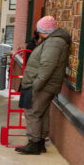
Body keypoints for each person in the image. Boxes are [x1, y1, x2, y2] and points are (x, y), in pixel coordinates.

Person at [16, 16, 71, 155]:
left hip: (43, 85)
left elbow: (47, 65)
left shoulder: (53, 42)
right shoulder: (53, 41)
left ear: (43, 30)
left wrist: (36, 85)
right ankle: (39, 142)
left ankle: (34, 143)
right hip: (46, 85)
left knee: (32, 112)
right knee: (41, 113)